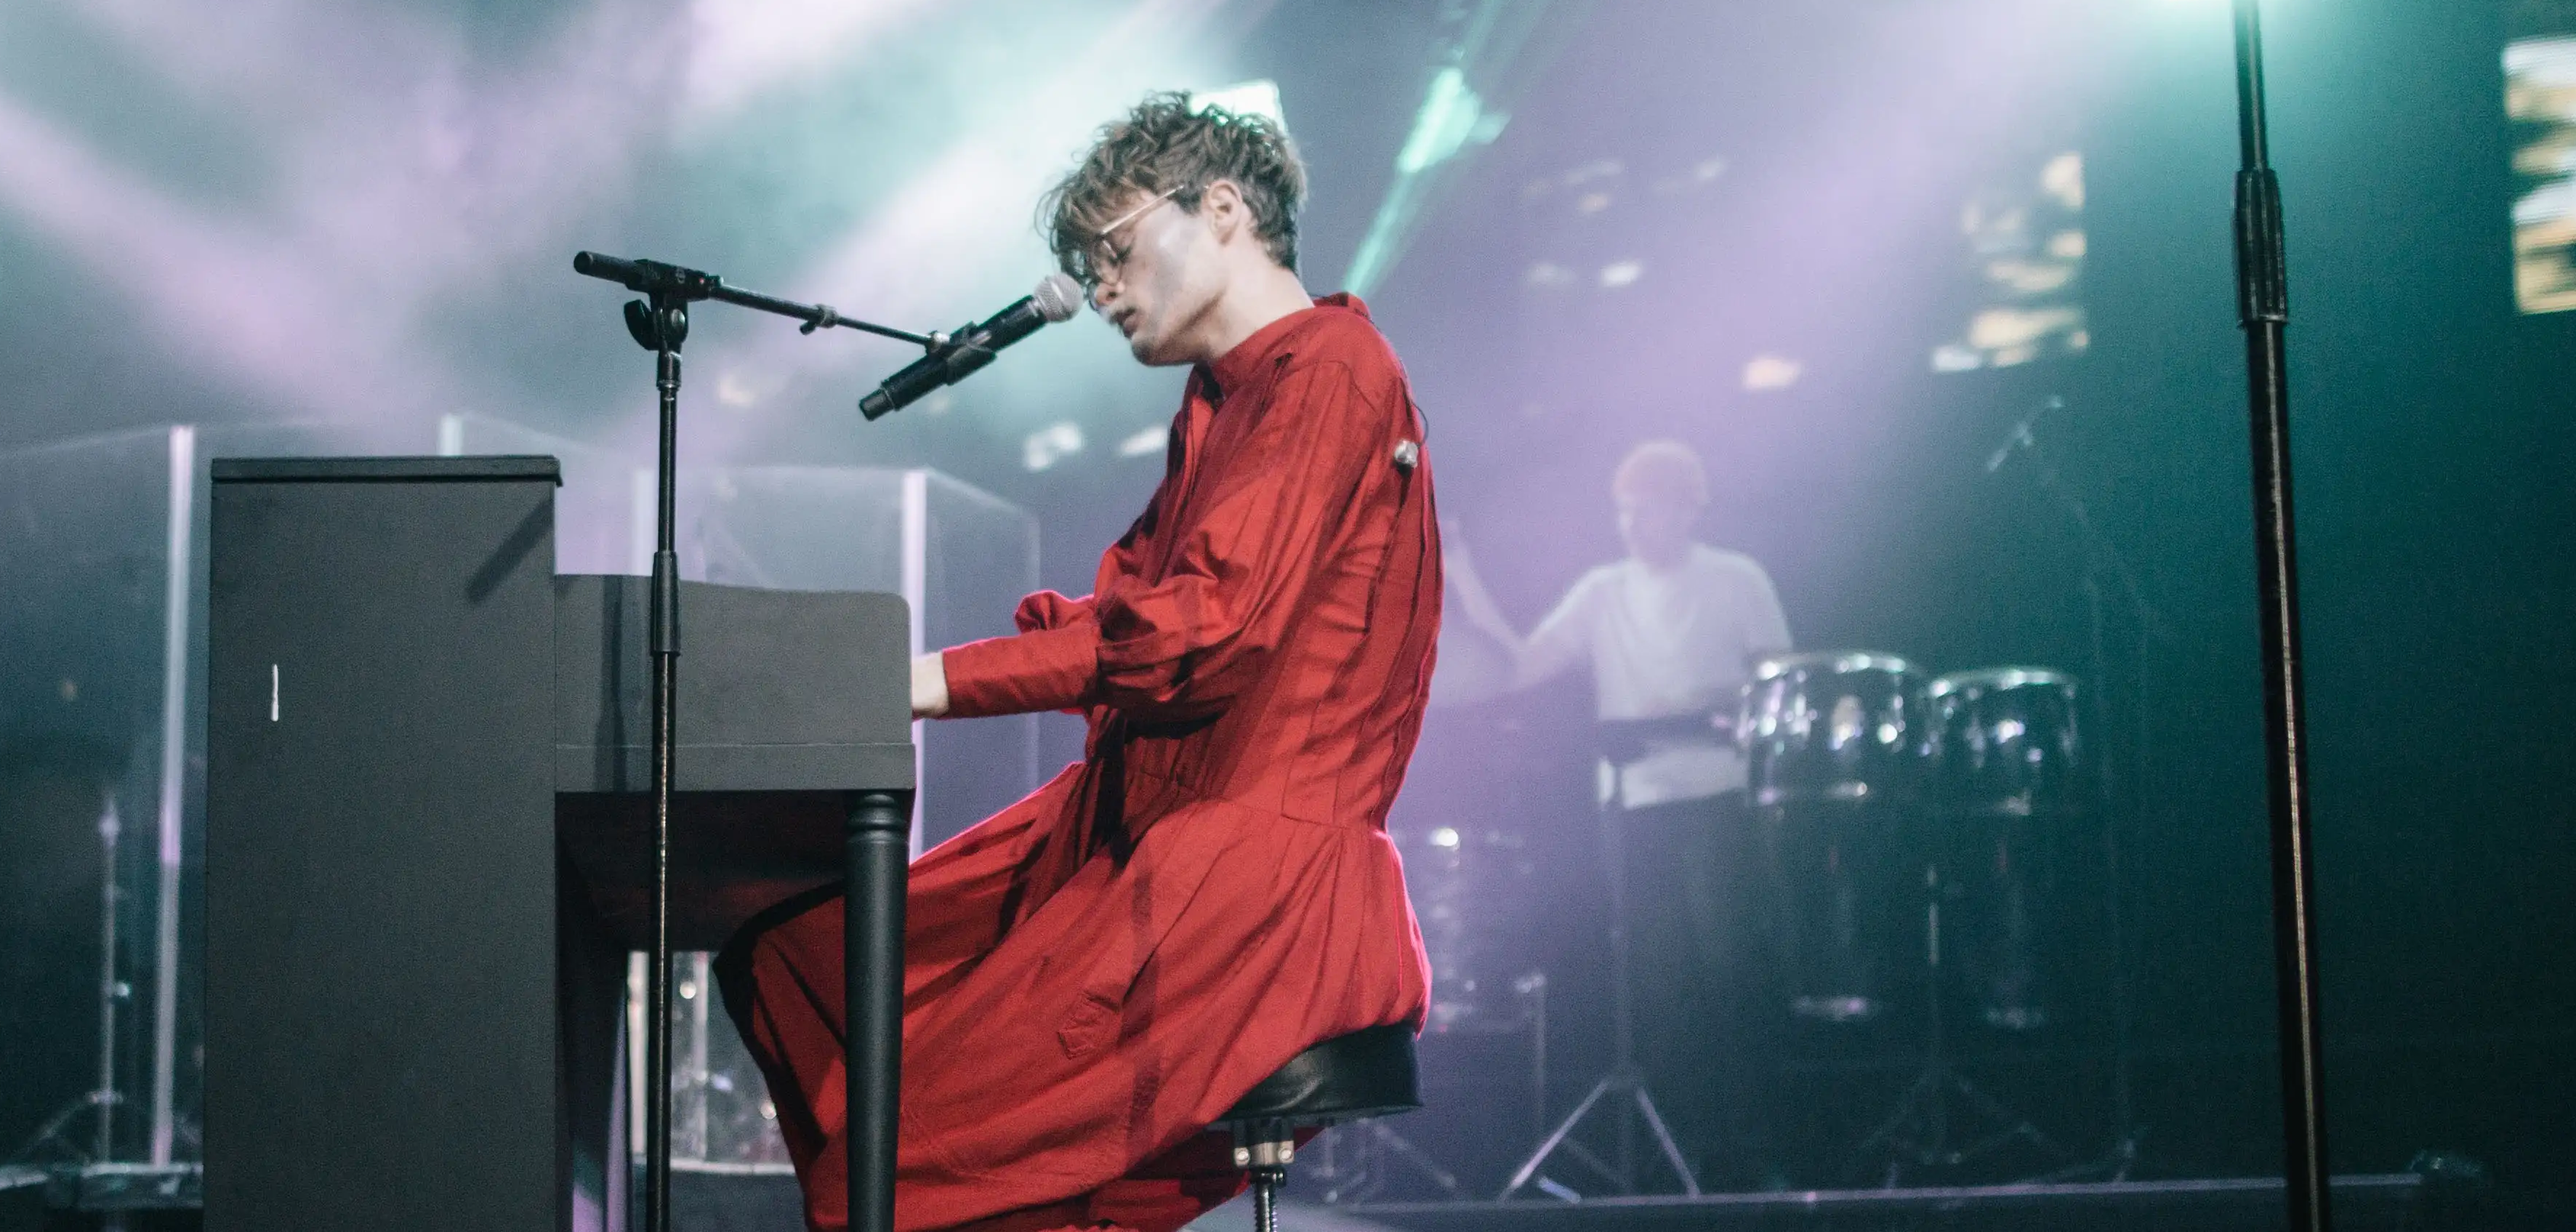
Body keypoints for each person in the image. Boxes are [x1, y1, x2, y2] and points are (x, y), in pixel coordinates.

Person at [722, 94, 1443, 1232]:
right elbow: (1134, 614)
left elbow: (1197, 632)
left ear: (1222, 210)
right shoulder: (1222, 396)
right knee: (801, 959)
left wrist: (933, 680)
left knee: (918, 1145)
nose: (1101, 287)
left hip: (1248, 865)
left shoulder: (1334, 367)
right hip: (1137, 821)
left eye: (1114, 249)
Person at [1460, 438, 1790, 1181]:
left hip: (1717, 799)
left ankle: (1752, 1141)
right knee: (1658, 983)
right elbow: (1516, 663)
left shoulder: (1736, 579)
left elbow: (1775, 688)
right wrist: (1461, 575)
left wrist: (1694, 714)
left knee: (1728, 967)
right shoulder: (1601, 589)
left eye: (1649, 507)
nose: (1635, 523)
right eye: (1624, 509)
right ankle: (1686, 1148)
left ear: (1688, 507)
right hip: (1634, 807)